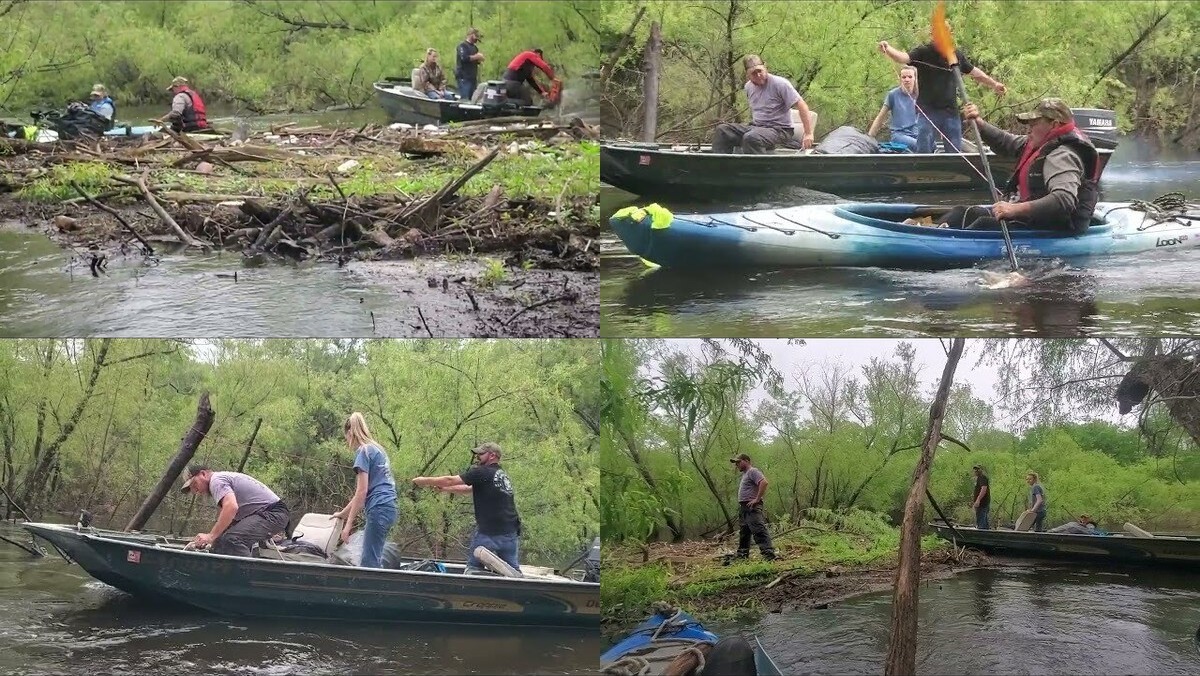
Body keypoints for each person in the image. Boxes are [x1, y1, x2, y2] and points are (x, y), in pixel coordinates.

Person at [936, 99, 1101, 234]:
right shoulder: (1040, 142)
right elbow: (1006, 143)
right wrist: (980, 124)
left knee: (983, 225)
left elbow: (1064, 200)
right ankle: (929, 230)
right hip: (1031, 219)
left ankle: (940, 241)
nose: (1028, 129)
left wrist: (1014, 210)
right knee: (963, 212)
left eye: (1034, 124)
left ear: (1054, 125)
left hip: (1052, 228)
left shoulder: (1062, 156)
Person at [877, 25, 1006, 153]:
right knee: (924, 150)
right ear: (932, 34)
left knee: (954, 151)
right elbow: (903, 57)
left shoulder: (956, 55)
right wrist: (888, 49)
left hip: (950, 112)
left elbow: (974, 72)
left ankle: (952, 173)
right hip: (927, 112)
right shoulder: (924, 52)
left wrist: (994, 84)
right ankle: (924, 173)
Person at [412, 442, 522, 573]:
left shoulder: (482, 472)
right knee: (513, 573)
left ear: (492, 455)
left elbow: (450, 480)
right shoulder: (500, 475)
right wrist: (446, 489)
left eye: (481, 454)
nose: (477, 457)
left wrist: (424, 481)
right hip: (510, 531)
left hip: (489, 532)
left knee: (473, 569)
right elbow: (468, 489)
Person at [331, 412, 398, 568]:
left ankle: (374, 591)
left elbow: (361, 492)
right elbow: (361, 494)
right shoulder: (378, 450)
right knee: (374, 556)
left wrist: (348, 526)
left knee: (369, 563)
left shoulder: (363, 452)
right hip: (389, 508)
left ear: (350, 433)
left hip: (378, 508)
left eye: (346, 437)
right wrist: (342, 514)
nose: (347, 441)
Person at [711, 54, 814, 155]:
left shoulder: (780, 84)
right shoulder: (748, 87)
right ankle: (722, 167)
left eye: (759, 71)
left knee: (752, 138)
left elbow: (802, 105)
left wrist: (808, 133)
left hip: (780, 130)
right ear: (747, 74)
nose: (758, 75)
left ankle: (758, 170)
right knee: (722, 130)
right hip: (757, 127)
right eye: (753, 73)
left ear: (765, 67)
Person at [179, 465, 290, 557]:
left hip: (273, 513)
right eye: (192, 490)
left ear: (203, 474)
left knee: (233, 540)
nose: (195, 491)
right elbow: (229, 518)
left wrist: (211, 536)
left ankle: (247, 578)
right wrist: (213, 540)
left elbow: (231, 507)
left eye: (194, 484)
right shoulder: (221, 482)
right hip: (263, 514)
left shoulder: (216, 481)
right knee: (220, 542)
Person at [730, 453, 776, 561]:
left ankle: (768, 554)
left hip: (752, 506)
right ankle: (742, 555)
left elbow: (764, 482)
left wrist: (757, 499)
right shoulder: (745, 474)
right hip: (744, 507)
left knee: (758, 529)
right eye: (736, 463)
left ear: (746, 461)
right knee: (744, 532)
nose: (737, 465)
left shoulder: (752, 471)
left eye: (738, 462)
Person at [866, 66, 918, 151]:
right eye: (904, 77)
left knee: (931, 145)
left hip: (917, 134)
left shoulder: (920, 95)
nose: (907, 79)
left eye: (910, 77)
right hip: (899, 135)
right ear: (900, 79)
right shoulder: (893, 95)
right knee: (918, 145)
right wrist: (869, 138)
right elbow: (880, 117)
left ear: (915, 78)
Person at [455, 27, 485, 101]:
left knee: (473, 98)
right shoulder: (462, 46)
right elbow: (464, 58)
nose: (476, 40)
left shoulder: (475, 48)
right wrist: (476, 56)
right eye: (475, 37)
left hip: (473, 77)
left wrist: (479, 60)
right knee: (465, 98)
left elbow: (475, 60)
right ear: (471, 35)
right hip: (464, 77)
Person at [971, 464, 990, 530]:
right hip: (981, 504)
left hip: (982, 503)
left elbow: (984, 489)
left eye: (978, 469)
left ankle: (982, 536)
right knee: (982, 521)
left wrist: (978, 500)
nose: (976, 471)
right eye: (975, 470)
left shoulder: (982, 477)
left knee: (982, 524)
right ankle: (985, 535)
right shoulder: (979, 478)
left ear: (981, 470)